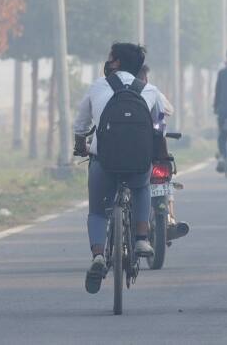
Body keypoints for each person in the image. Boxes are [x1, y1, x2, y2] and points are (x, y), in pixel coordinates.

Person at [74, 43, 163, 294]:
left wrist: (81, 144)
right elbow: (157, 124)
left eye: (110, 58)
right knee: (142, 187)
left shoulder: (97, 87)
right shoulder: (150, 90)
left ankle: (98, 255)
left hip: (104, 161)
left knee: (98, 210)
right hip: (138, 162)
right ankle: (142, 239)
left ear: (116, 63)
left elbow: (80, 124)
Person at [135, 64, 189, 242]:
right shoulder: (152, 92)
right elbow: (166, 113)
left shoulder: (111, 92)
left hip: (125, 155)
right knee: (165, 177)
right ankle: (170, 218)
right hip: (154, 152)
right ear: (144, 77)